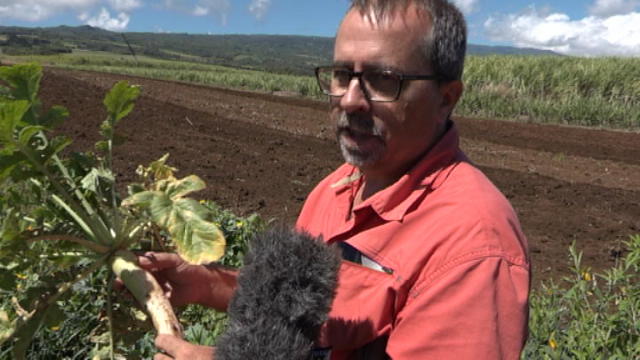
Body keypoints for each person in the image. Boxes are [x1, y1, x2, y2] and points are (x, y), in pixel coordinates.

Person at [134, 0, 530, 359]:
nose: (351, 99)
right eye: (343, 74)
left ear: (446, 98)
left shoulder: (473, 244)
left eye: (383, 79)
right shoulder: (336, 188)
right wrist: (207, 285)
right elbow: (304, 310)